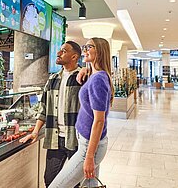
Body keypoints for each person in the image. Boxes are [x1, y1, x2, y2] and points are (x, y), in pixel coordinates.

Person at [49, 37, 113, 188]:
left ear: (100, 51)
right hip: (88, 142)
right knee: (89, 186)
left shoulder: (98, 79)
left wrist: (90, 156)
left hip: (89, 148)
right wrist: (85, 69)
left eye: (89, 47)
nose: (84, 50)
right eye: (85, 47)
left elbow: (99, 121)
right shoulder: (94, 75)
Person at [20, 41, 83, 188]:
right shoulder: (53, 79)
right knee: (50, 180)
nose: (58, 53)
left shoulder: (83, 78)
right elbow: (44, 108)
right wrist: (35, 132)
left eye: (63, 51)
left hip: (76, 138)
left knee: (74, 182)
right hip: (55, 138)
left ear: (74, 57)